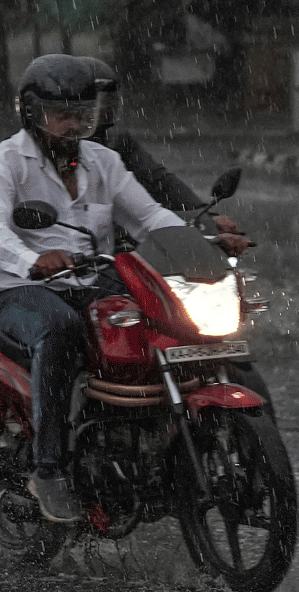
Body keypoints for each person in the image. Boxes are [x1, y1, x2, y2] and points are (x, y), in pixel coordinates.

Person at [0, 54, 252, 523]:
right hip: (20, 288)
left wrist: (197, 242)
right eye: (63, 114)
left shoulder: (104, 161)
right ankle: (50, 468)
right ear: (32, 113)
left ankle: (145, 434)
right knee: (59, 331)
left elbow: (149, 215)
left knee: (165, 312)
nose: (74, 123)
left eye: (84, 113)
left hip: (93, 276)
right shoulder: (4, 163)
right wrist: (33, 259)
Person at [81, 55, 272, 412]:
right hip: (90, 258)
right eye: (94, 101)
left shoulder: (117, 144)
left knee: (185, 318)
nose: (100, 111)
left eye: (107, 101)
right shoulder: (47, 151)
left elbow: (160, 183)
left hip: (141, 246)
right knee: (94, 335)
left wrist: (207, 218)